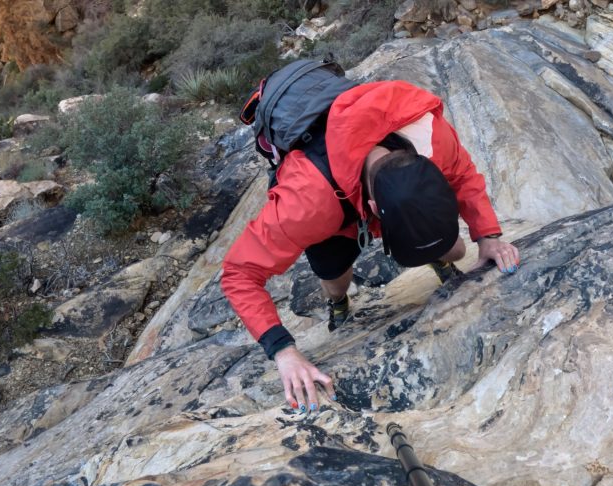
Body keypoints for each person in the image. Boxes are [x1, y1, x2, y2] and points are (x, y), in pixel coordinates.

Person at [221, 80, 520, 414]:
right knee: (335, 277)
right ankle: (339, 303)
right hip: (332, 201)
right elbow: (239, 273)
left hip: (357, 175)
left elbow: (463, 175)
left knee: (455, 250)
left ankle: (435, 255)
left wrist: (487, 235)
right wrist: (284, 352)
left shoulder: (432, 138)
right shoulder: (306, 204)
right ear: (376, 211)